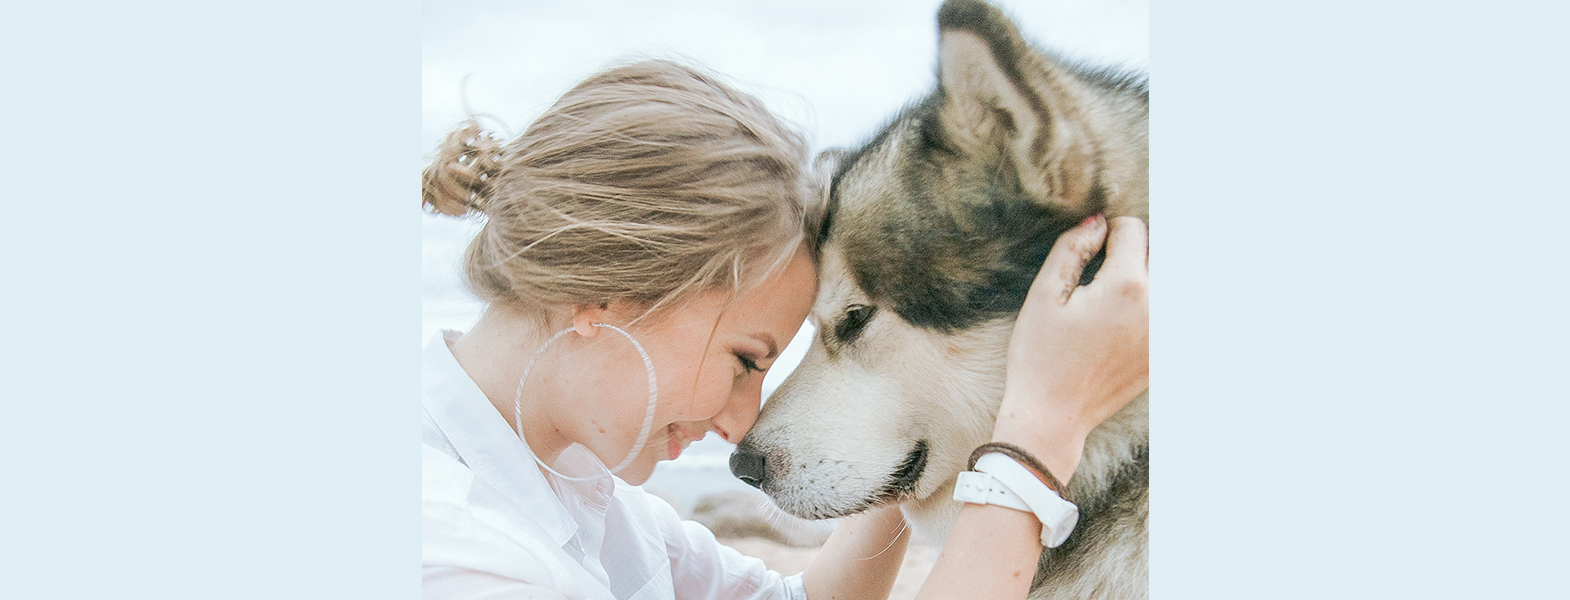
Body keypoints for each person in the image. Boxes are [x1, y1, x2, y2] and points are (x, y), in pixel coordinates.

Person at [420, 60, 1148, 600]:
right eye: (746, 359)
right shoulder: (447, 548)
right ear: (604, 291)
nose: (744, 423)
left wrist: (897, 450)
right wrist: (1039, 435)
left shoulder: (575, 493)